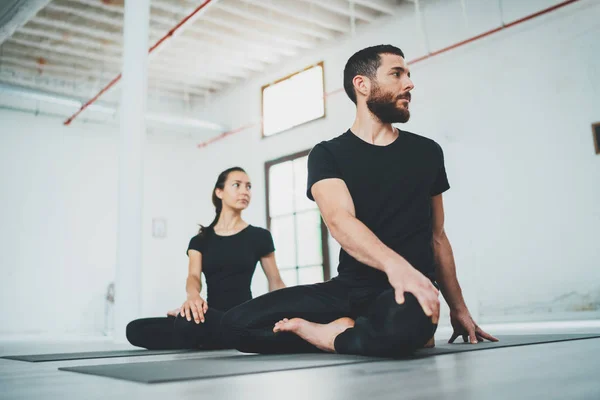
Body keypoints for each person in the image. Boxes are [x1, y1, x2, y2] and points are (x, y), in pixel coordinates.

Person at [220, 45, 498, 357]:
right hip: (348, 289)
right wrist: (396, 265)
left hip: (403, 294)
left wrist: (458, 308)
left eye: (408, 74)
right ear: (362, 84)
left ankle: (335, 336)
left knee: (406, 324)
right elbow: (339, 220)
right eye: (396, 74)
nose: (409, 83)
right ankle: (356, 332)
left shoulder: (428, 152)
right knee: (236, 326)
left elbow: (438, 236)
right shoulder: (328, 154)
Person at [126, 167, 286, 350]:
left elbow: (276, 282)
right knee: (136, 329)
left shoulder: (260, 237)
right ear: (219, 192)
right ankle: (218, 336)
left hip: (242, 315)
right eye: (237, 185)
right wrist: (192, 301)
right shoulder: (200, 240)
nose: (245, 191)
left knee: (187, 324)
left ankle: (207, 335)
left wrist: (285, 314)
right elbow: (193, 277)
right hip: (208, 314)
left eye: (248, 187)